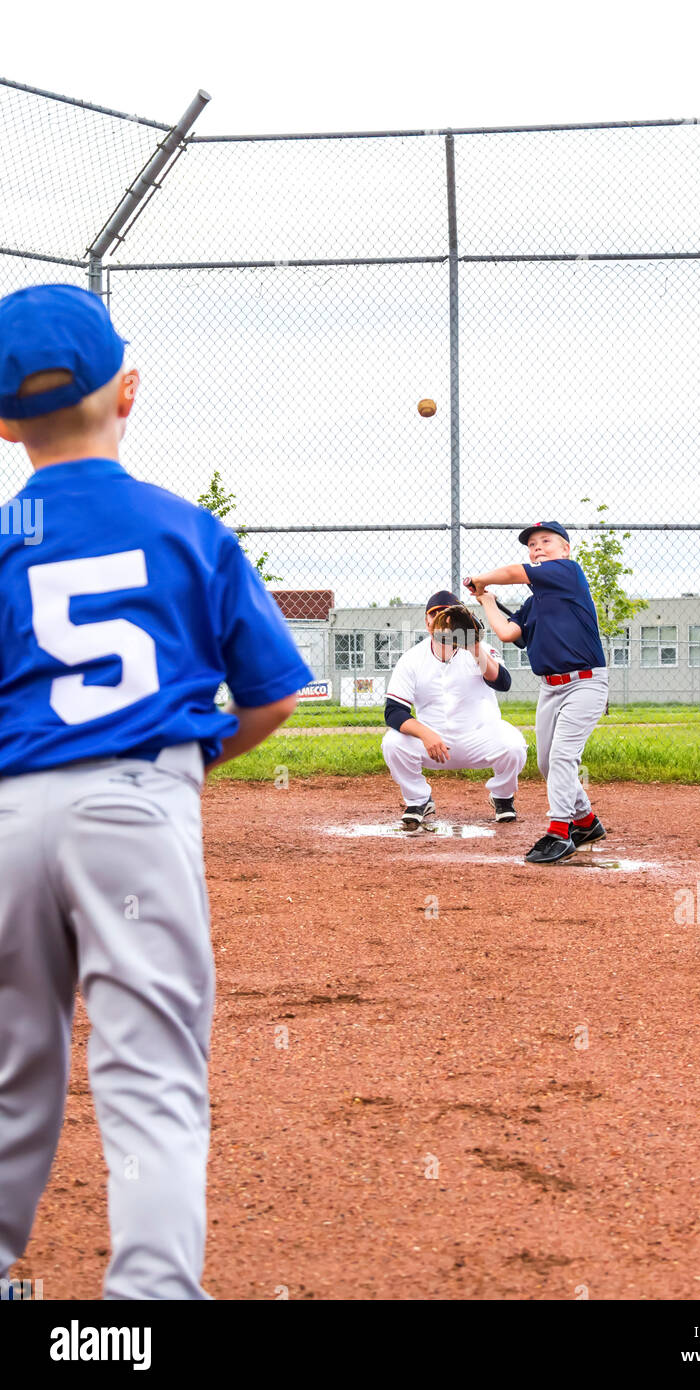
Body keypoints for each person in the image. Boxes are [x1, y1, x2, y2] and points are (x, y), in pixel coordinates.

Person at [0, 283, 313, 1299]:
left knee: (12, 1066)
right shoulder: (185, 528)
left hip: (9, 815)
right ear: (125, 391)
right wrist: (193, 755)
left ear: (4, 425)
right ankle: (147, 1300)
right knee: (148, 1066)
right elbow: (273, 696)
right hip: (135, 805)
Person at [464, 521, 608, 865]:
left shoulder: (568, 573)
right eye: (532, 544)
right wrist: (486, 599)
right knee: (547, 763)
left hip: (585, 683)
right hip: (550, 688)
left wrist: (482, 577)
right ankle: (586, 822)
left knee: (561, 758)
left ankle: (559, 832)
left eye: (545, 541)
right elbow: (508, 632)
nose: (537, 547)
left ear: (565, 550)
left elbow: (515, 572)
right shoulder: (534, 603)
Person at [381, 589, 527, 829]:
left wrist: (473, 646)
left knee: (514, 745)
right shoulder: (412, 658)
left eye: (447, 615)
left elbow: (503, 682)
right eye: (434, 615)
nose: (440, 621)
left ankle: (502, 797)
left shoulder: (479, 650)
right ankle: (418, 800)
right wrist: (425, 734)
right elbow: (394, 711)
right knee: (392, 743)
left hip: (480, 736)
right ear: (426, 622)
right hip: (434, 742)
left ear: (458, 621)